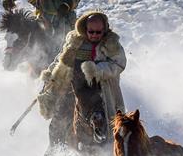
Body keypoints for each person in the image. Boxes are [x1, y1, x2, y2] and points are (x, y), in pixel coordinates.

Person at [38, 11, 126, 148]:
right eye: (91, 32)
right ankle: (54, 151)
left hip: (100, 91)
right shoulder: (75, 42)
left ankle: (106, 151)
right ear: (85, 29)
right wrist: (51, 75)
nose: (95, 35)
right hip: (74, 87)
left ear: (104, 29)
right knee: (58, 120)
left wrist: (97, 70)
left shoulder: (111, 44)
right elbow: (61, 60)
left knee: (104, 122)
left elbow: (118, 64)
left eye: (98, 32)